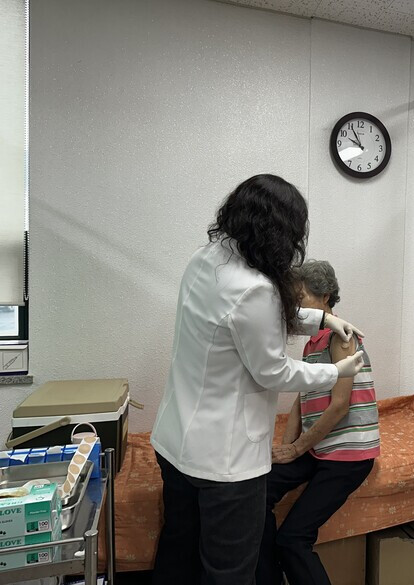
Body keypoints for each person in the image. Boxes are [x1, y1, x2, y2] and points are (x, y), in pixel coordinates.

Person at [150, 175, 366, 585]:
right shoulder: (256, 289)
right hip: (225, 461)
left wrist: (322, 319)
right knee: (229, 572)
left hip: (175, 440)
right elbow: (273, 371)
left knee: (178, 557)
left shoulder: (205, 258)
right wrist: (335, 371)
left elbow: (243, 320)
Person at [256, 260, 380, 585]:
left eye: (301, 298)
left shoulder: (341, 338)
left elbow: (339, 406)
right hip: (320, 449)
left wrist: (297, 448)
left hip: (348, 457)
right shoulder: (312, 343)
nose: (295, 307)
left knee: (292, 539)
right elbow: (302, 399)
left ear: (325, 297)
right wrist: (286, 449)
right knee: (259, 491)